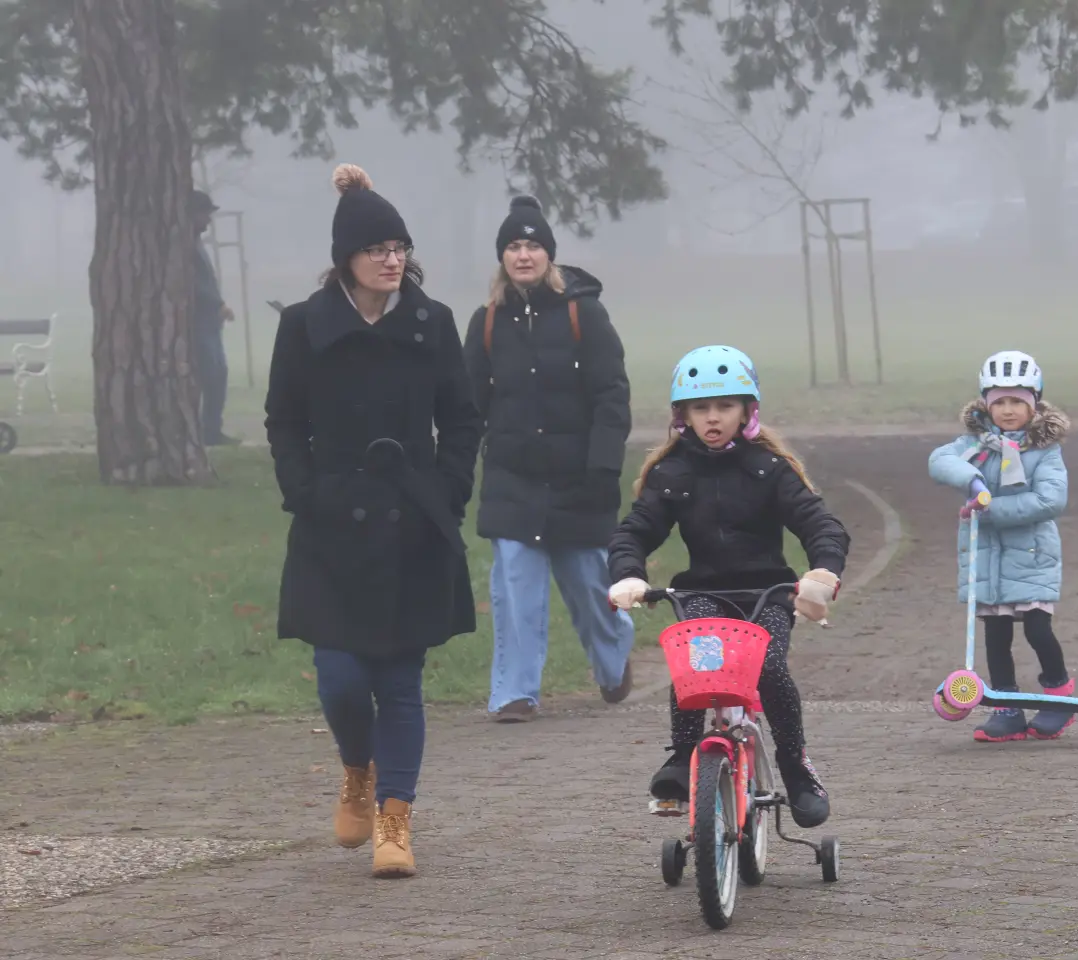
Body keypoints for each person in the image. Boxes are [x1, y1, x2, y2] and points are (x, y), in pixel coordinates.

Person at [264, 163, 483, 878]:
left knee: (399, 681)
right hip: (331, 527)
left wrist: (447, 492)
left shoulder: (433, 323)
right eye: (376, 249)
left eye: (399, 247)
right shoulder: (304, 327)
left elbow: (460, 417)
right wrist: (304, 490)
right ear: (345, 260)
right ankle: (355, 769)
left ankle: (395, 817)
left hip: (413, 524)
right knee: (339, 679)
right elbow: (284, 419)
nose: (392, 260)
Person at [608, 345, 850, 828]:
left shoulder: (770, 470)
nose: (713, 418)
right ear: (684, 416)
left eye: (724, 407)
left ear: (747, 411)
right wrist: (629, 574)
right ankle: (681, 757)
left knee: (769, 669)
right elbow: (634, 530)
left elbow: (820, 524)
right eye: (701, 408)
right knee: (691, 665)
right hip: (703, 593)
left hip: (767, 593)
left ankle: (796, 765)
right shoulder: (671, 473)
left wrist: (822, 574)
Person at [462, 194, 634, 723]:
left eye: (532, 245)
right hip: (513, 480)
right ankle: (514, 692)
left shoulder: (585, 314)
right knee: (514, 588)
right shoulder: (486, 322)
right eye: (513, 245)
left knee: (590, 587)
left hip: (578, 478)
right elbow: (469, 406)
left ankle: (614, 662)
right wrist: (451, 471)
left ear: (549, 255)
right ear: (502, 257)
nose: (523, 254)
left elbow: (612, 394)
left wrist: (603, 467)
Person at [927, 350, 1074, 742]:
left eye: (1017, 402)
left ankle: (1058, 693)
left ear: (1034, 404)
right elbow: (940, 460)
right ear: (987, 405)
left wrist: (989, 508)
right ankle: (1007, 708)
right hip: (988, 558)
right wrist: (974, 481)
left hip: (1031, 555)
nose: (1008, 411)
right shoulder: (975, 443)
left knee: (1038, 628)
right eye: (1000, 402)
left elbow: (1050, 501)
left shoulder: (1045, 451)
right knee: (996, 632)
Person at [190, 190, 237, 446]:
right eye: (204, 214)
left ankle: (211, 429)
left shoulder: (196, 242)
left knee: (218, 373)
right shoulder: (185, 245)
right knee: (211, 373)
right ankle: (206, 430)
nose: (208, 220)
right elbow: (195, 284)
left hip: (210, 321)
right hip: (200, 321)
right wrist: (218, 304)